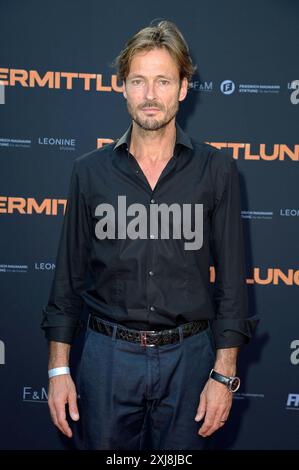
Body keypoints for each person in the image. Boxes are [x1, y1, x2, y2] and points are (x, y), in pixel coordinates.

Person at [41, 20, 258, 450]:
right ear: (123, 87)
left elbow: (233, 283)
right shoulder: (90, 172)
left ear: (182, 88)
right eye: (138, 80)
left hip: (190, 358)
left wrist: (223, 374)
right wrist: (58, 369)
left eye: (163, 81)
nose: (150, 94)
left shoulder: (217, 171)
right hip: (107, 359)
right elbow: (66, 278)